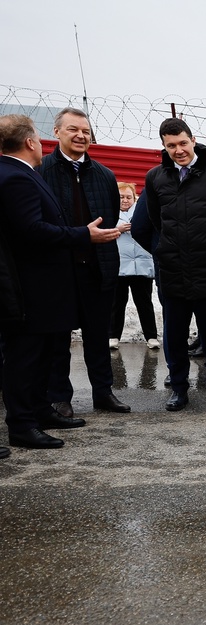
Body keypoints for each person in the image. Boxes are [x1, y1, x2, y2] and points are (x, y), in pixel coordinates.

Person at [0, 114, 120, 450]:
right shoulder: (18, 177)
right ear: (31, 142)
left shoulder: (25, 173)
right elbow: (32, 231)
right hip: (32, 285)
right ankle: (22, 424)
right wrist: (84, 234)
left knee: (43, 352)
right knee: (26, 356)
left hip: (55, 282)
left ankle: (40, 411)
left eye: (86, 131)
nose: (81, 136)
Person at [143, 117, 206, 411]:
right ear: (164, 146)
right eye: (171, 145)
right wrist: (163, 250)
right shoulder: (155, 177)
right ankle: (179, 389)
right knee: (174, 337)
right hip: (173, 272)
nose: (179, 150)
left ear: (193, 140)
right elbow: (153, 218)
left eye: (183, 143)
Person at [38, 107, 130, 416]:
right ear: (57, 132)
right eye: (73, 129)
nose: (81, 136)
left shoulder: (104, 175)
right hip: (58, 270)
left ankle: (103, 393)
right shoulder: (41, 170)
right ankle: (59, 396)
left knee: (97, 336)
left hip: (98, 268)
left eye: (86, 131)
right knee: (57, 338)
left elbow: (112, 217)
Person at [111, 182, 159, 350]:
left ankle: (151, 336)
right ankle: (113, 336)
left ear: (134, 198)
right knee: (117, 303)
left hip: (142, 265)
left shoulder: (142, 212)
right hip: (119, 266)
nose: (125, 200)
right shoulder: (109, 213)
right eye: (121, 197)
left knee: (144, 303)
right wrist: (117, 229)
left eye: (128, 197)